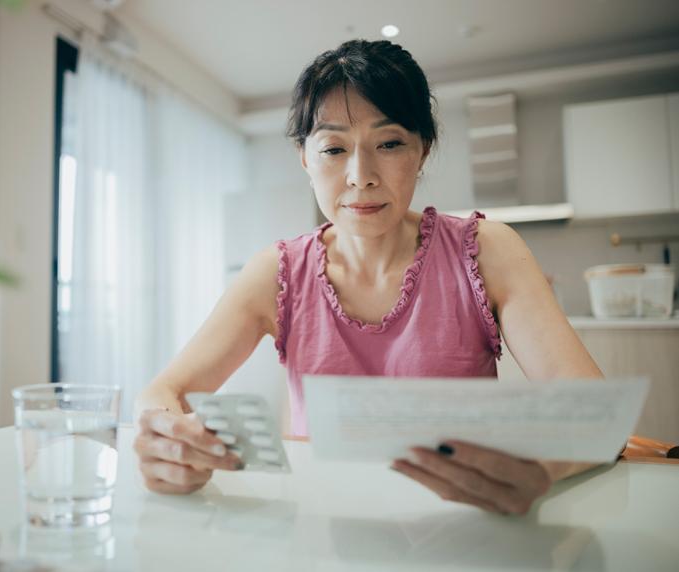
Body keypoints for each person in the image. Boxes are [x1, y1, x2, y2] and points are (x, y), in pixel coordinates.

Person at [133, 39, 603, 515]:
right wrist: (170, 443)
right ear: (304, 158)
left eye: (390, 143)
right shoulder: (277, 272)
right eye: (334, 148)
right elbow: (163, 392)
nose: (361, 176)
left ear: (423, 150)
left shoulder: (485, 250)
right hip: (324, 533)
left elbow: (593, 406)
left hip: (459, 527)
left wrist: (541, 464)